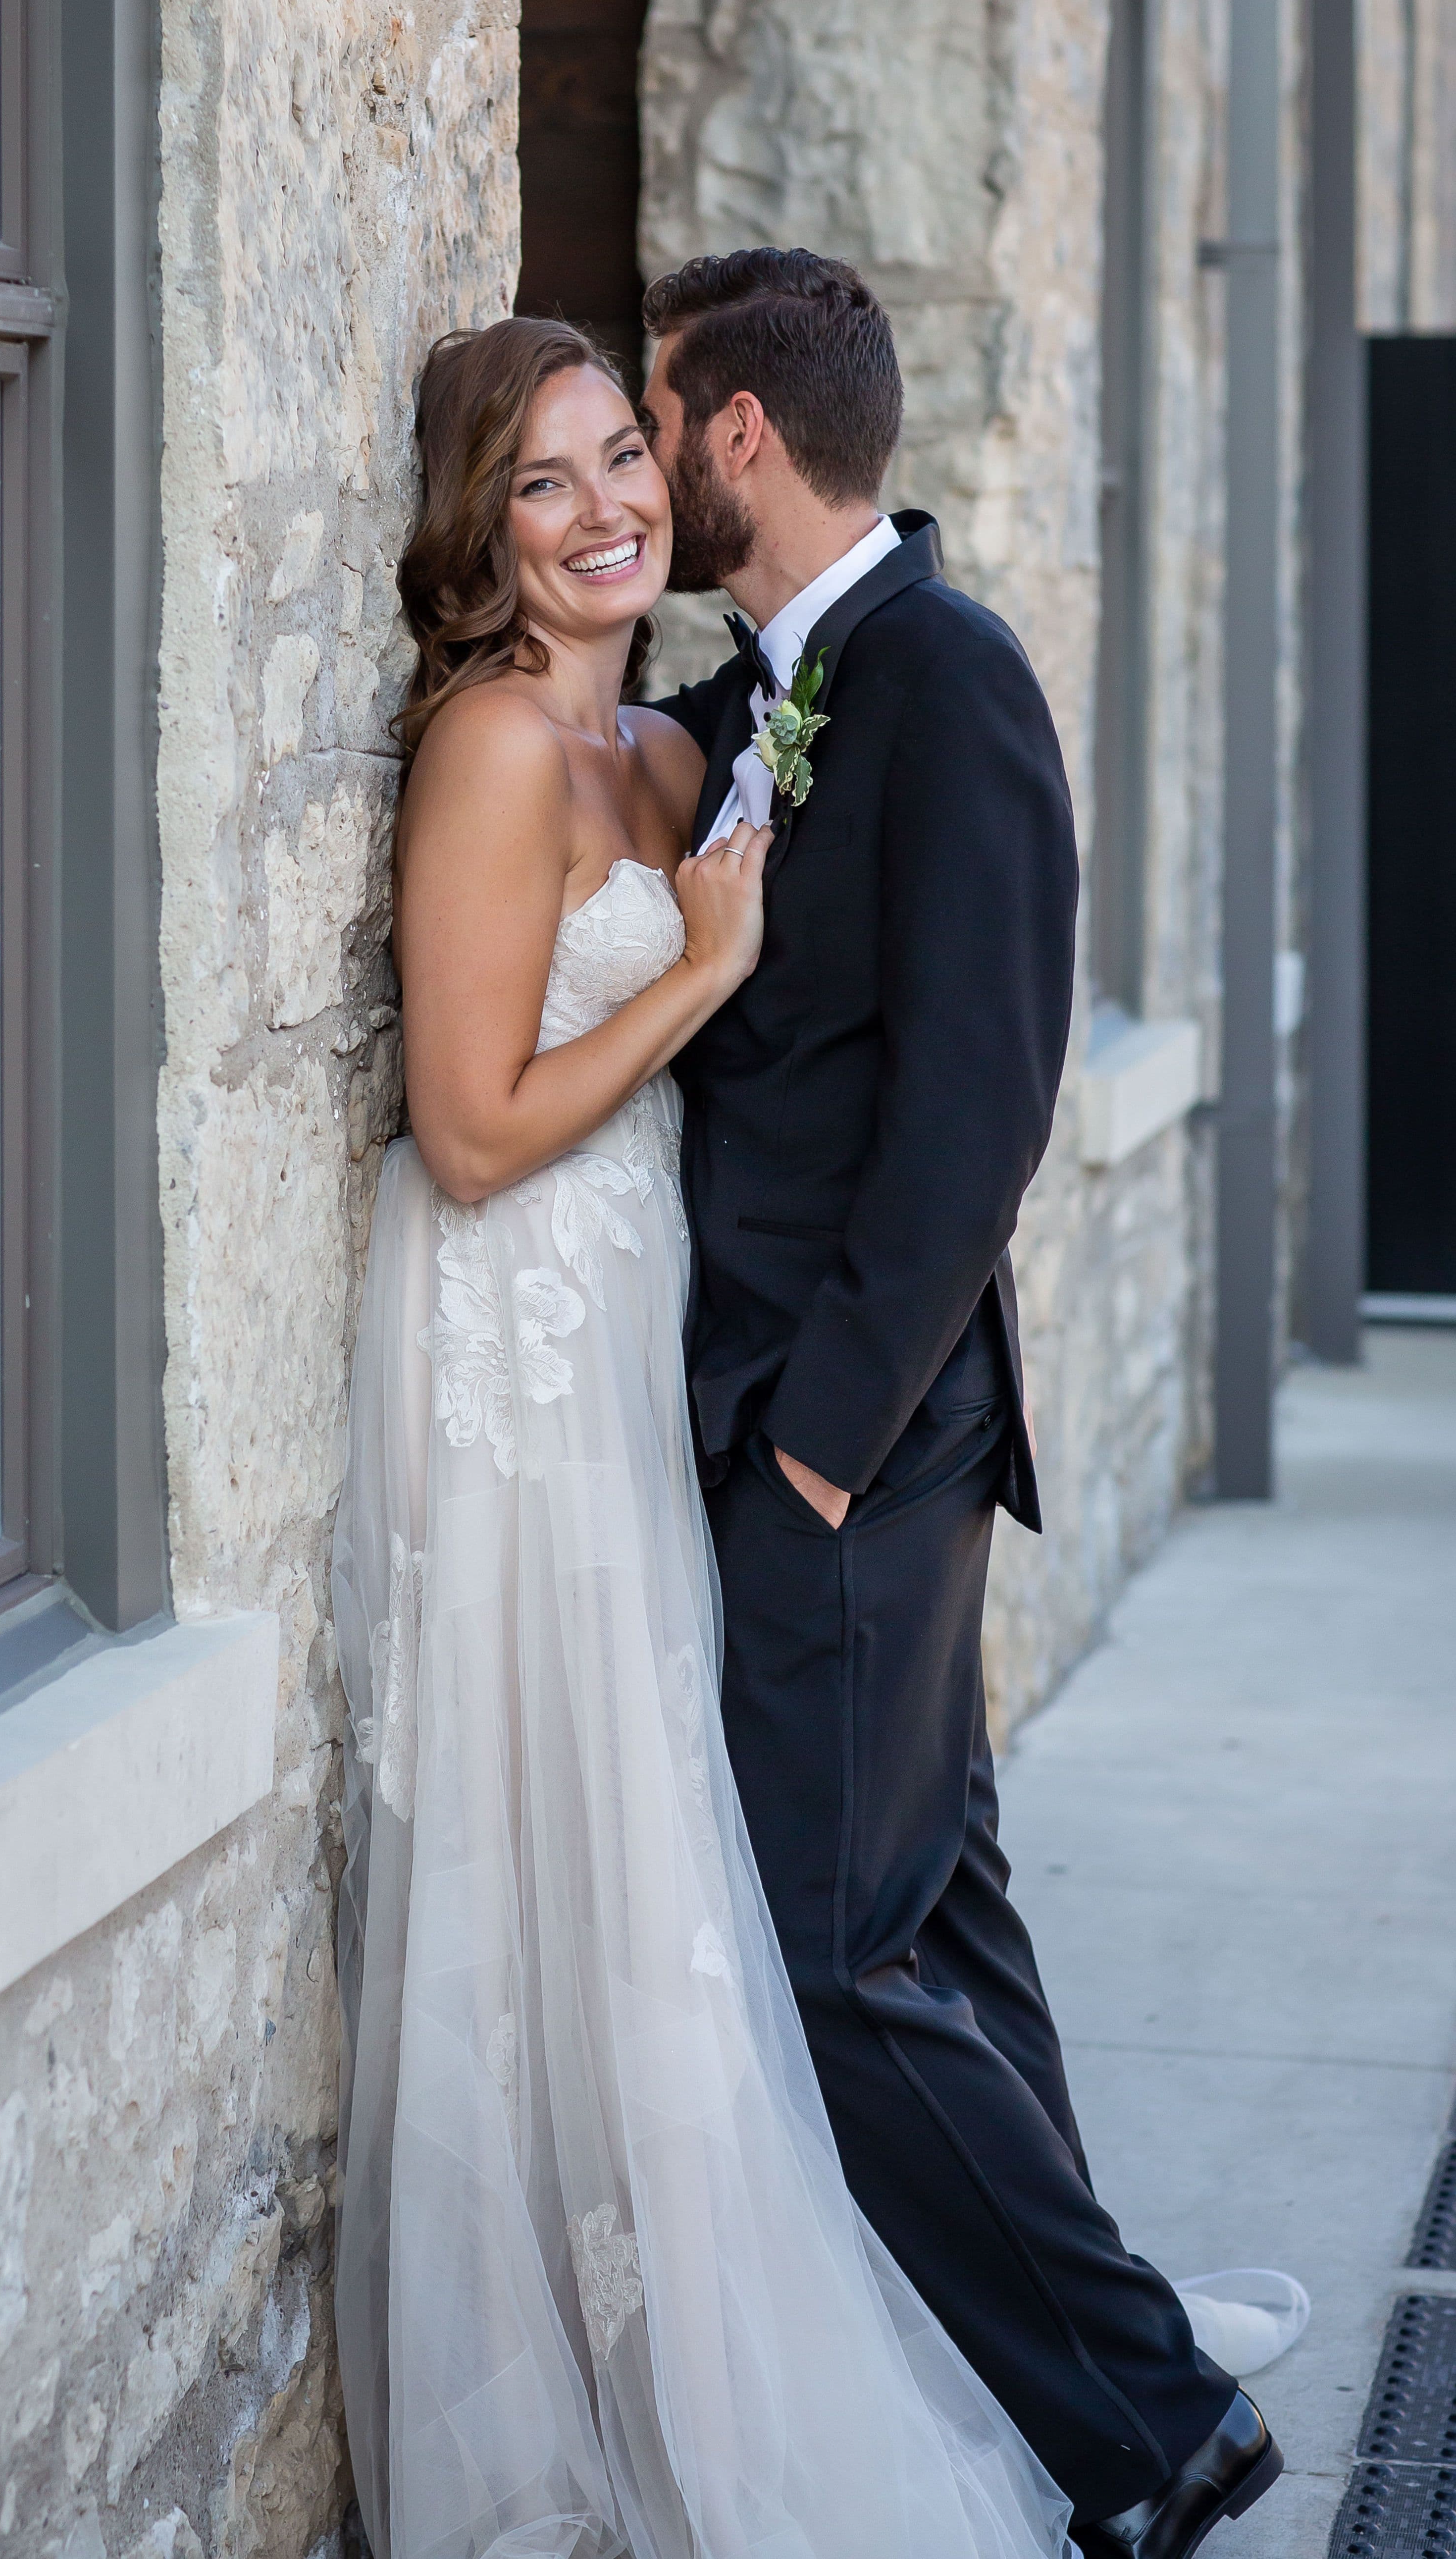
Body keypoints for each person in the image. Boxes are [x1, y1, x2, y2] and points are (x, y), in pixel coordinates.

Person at [333, 314, 1077, 2559]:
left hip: (674, 1359)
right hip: (523, 1351)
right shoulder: (482, 751)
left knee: (740, 1868)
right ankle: (587, 2392)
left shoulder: (693, 744)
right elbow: (468, 1138)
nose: (603, 509)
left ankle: (999, 2331)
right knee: (585, 1861)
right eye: (548, 480)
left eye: (619, 463)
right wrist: (692, 978)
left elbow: (905, 1037)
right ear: (481, 522)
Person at [636, 247, 1287, 2559]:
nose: (643, 457)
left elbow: (982, 1100)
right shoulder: (762, 698)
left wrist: (816, 1440)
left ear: (738, 434)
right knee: (948, 1917)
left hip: (856, 1438)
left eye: (653, 416)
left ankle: (1159, 2432)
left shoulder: (948, 676)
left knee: (838, 1956)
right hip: (801, 1426)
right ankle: (1099, 2379)